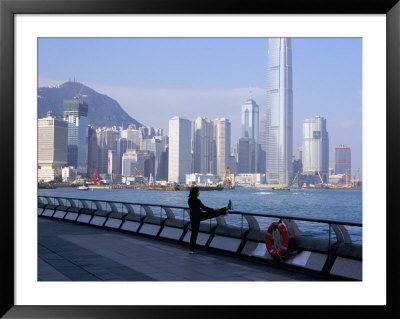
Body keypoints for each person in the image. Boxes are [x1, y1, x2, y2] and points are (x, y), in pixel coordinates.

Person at [187, 186, 232, 254]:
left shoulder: (190, 199)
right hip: (199, 216)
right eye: (198, 192)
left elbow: (197, 208)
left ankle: (191, 249)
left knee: (194, 233)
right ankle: (226, 209)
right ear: (196, 193)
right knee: (212, 213)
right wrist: (213, 209)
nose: (199, 193)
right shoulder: (197, 200)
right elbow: (204, 208)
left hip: (193, 218)